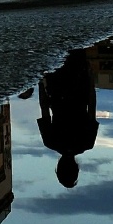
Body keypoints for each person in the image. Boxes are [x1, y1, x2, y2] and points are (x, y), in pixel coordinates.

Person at [36, 50, 99, 187]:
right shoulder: (50, 142)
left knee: (77, 46)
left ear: (76, 168)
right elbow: (44, 108)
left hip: (79, 87)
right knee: (58, 48)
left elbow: (92, 106)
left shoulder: (87, 143)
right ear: (58, 166)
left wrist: (90, 79)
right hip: (57, 88)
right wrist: (41, 82)